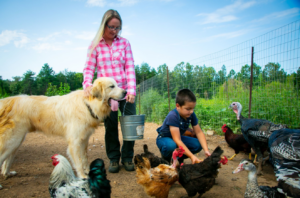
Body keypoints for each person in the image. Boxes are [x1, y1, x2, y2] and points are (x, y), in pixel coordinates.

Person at [82, 9, 136, 173]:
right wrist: (87, 85)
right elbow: (89, 69)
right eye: (111, 27)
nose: (114, 31)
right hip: (107, 94)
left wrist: (132, 90)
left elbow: (130, 67)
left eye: (117, 28)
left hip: (125, 92)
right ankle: (113, 158)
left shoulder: (124, 43)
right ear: (104, 25)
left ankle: (127, 158)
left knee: (130, 125)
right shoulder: (95, 45)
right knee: (110, 126)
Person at [156, 89, 211, 164]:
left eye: (192, 108)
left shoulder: (191, 114)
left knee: (198, 145)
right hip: (165, 138)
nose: (191, 111)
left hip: (177, 137)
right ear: (178, 106)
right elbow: (177, 140)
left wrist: (206, 150)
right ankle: (166, 159)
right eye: (188, 109)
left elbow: (199, 132)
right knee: (171, 146)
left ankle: (178, 158)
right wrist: (192, 156)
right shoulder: (173, 116)